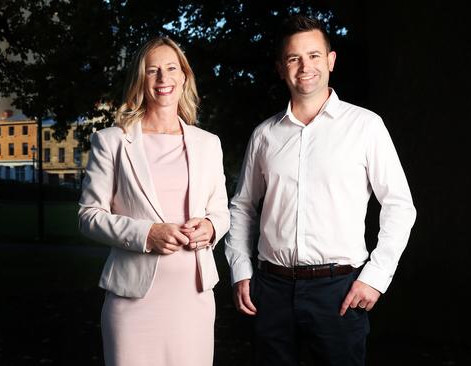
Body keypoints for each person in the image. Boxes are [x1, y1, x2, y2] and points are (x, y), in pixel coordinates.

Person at [224, 15, 417, 366]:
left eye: (314, 55)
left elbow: (400, 206)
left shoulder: (366, 126)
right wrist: (240, 270)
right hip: (271, 290)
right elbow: (242, 208)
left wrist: (375, 277)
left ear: (330, 60)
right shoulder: (265, 135)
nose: (305, 66)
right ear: (282, 68)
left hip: (339, 290)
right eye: (294, 58)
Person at [78, 37, 229, 366]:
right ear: (140, 80)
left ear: (184, 77)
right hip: (132, 301)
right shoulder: (111, 142)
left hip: (194, 297)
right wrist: (147, 234)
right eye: (153, 71)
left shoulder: (208, 144)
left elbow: (220, 210)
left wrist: (211, 226)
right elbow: (88, 216)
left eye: (171, 68)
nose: (163, 78)